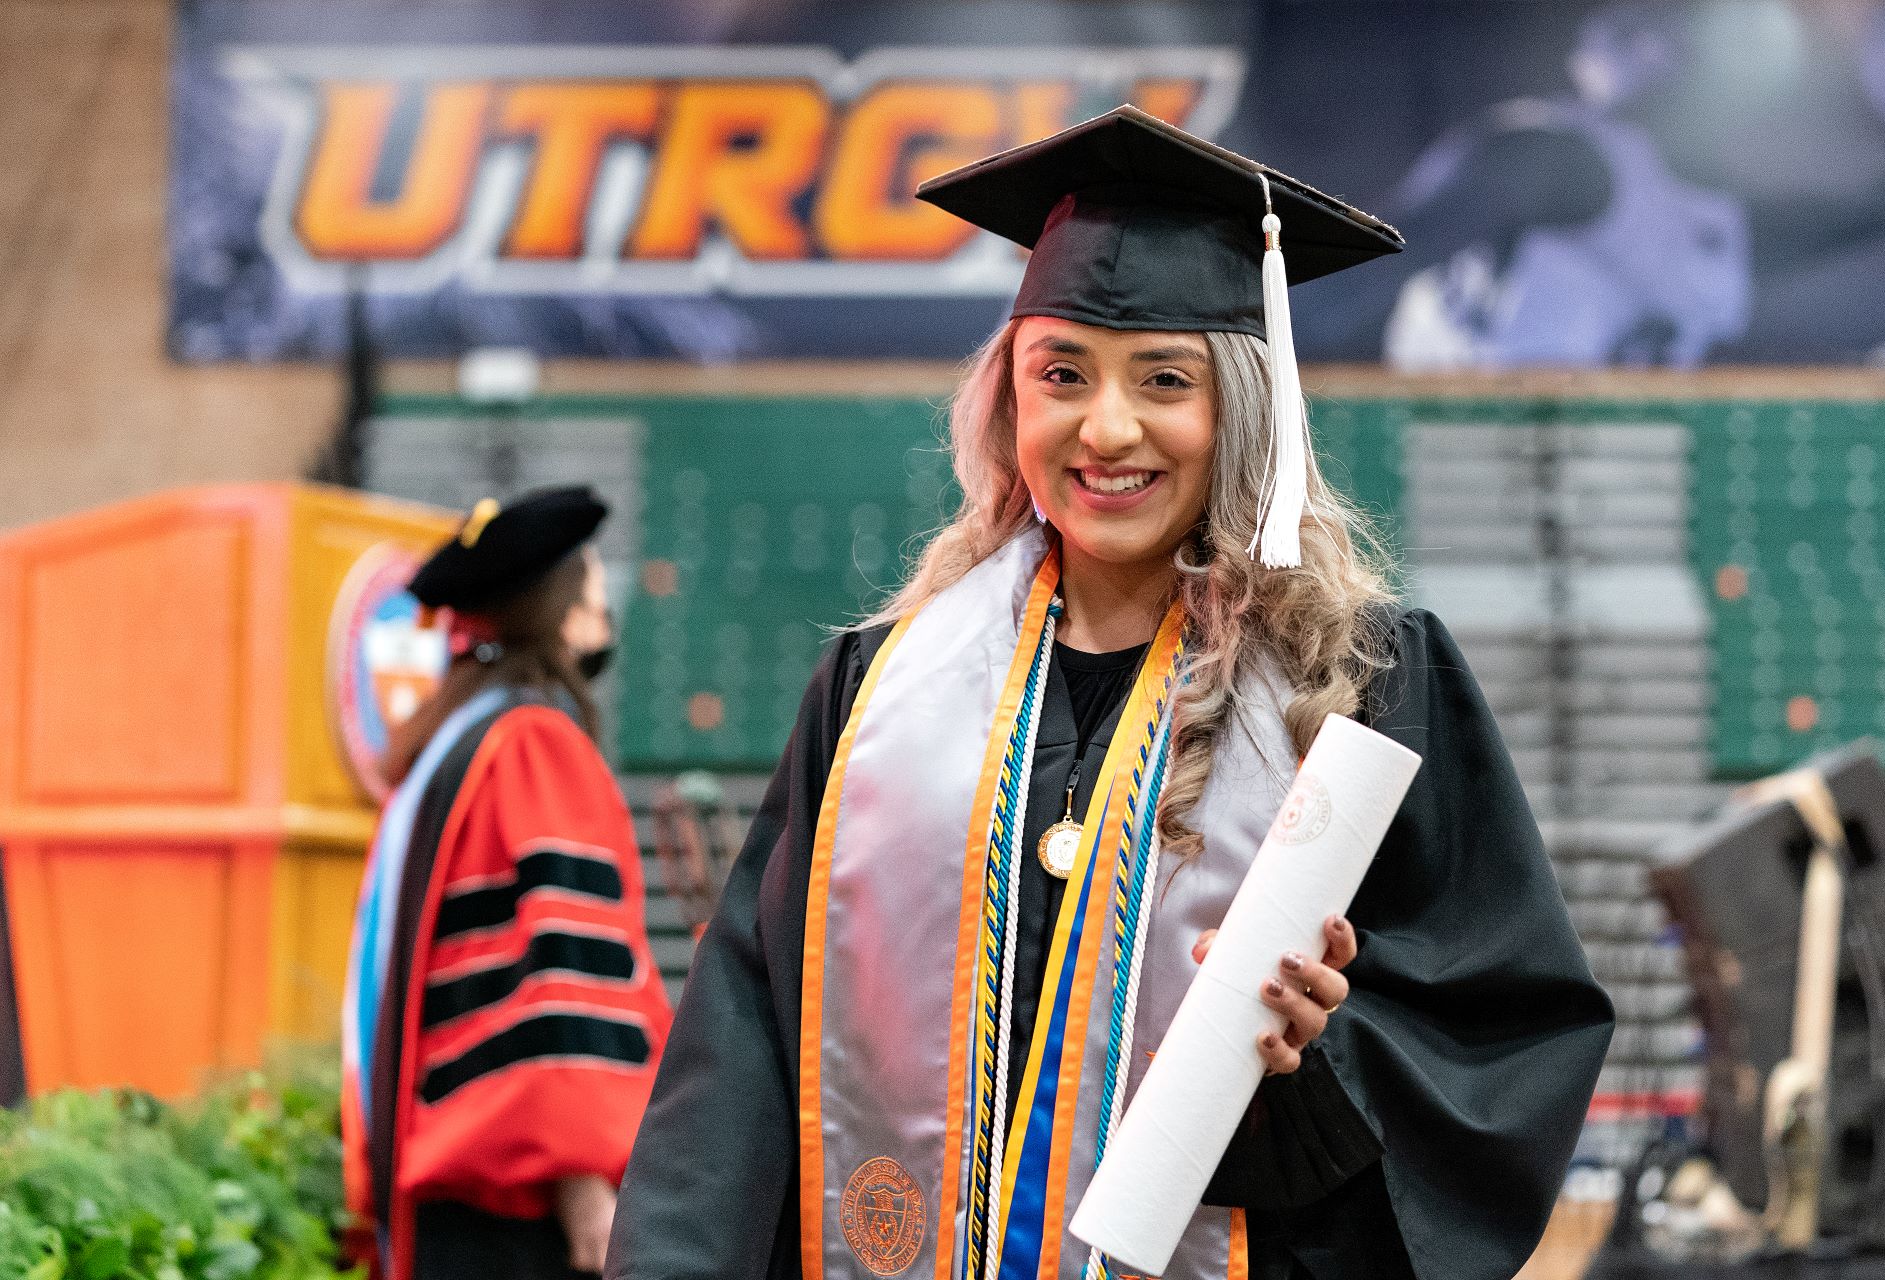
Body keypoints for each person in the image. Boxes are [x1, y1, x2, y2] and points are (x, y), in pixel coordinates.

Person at [608, 108, 1613, 1280]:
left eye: (1165, 379)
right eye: (1063, 375)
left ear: (1242, 407)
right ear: (1008, 401)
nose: (1109, 426)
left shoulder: (1364, 685)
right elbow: (749, 1043)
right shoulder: (879, 688)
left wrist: (1325, 1054)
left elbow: (1506, 1037)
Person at [342, 485, 673, 1280]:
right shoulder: (533, 746)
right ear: (556, 608)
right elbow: (556, 979)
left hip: (449, 1184)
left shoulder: (449, 747)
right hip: (524, 1210)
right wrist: (586, 1179)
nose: (604, 607)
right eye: (592, 583)